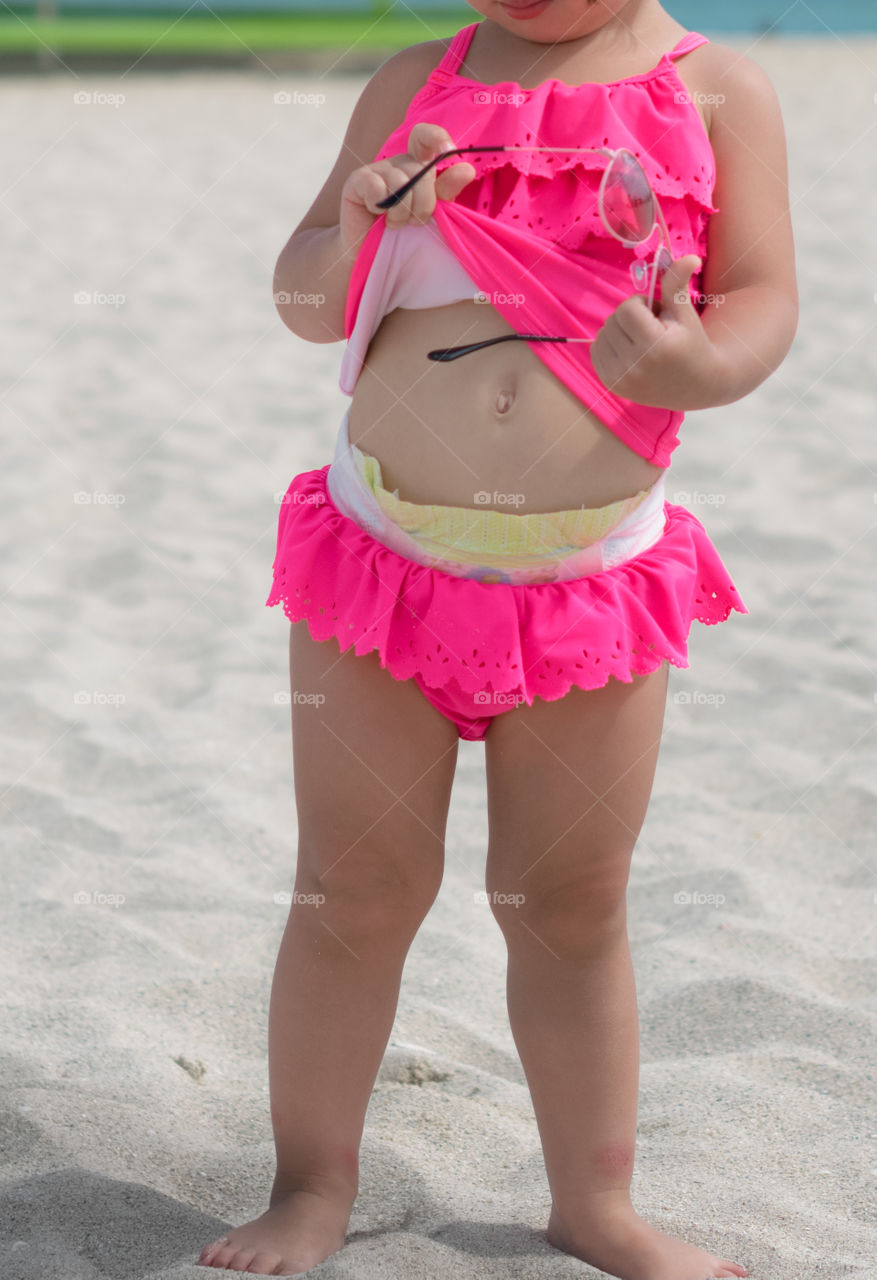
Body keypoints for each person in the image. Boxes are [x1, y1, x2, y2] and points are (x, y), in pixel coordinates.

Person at [199, 0, 797, 1275]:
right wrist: (356, 225)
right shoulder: (422, 78)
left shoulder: (723, 92)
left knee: (573, 902)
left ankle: (596, 1205)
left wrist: (697, 362)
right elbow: (307, 296)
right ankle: (312, 1184)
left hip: (589, 574)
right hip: (385, 562)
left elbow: (763, 298)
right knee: (353, 889)